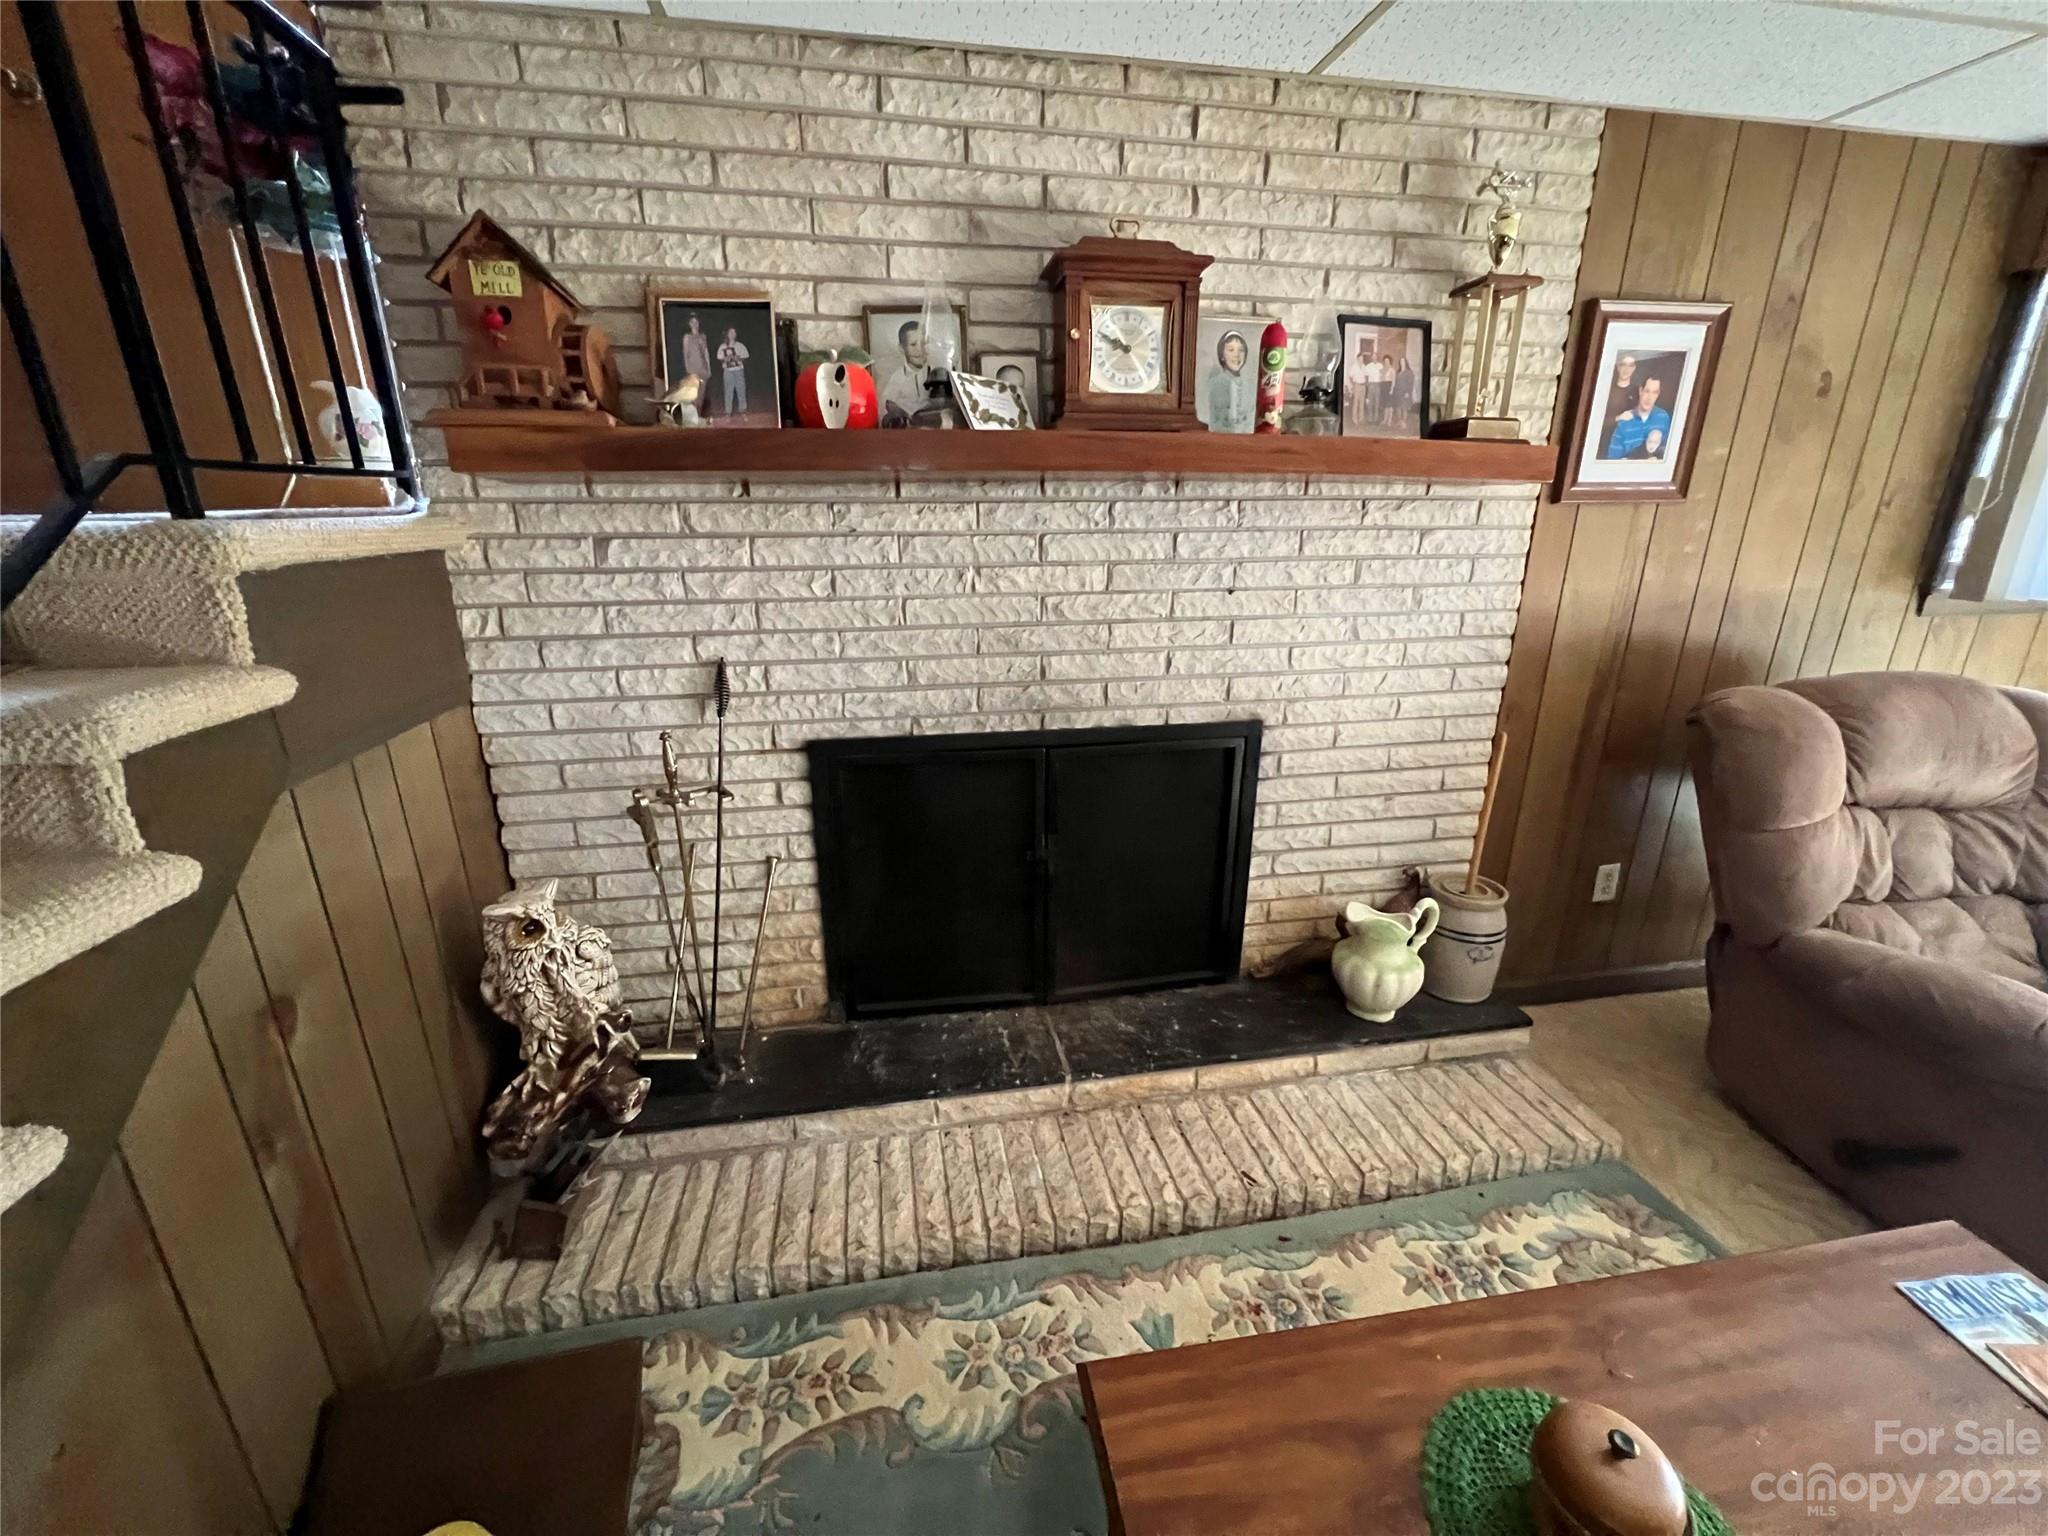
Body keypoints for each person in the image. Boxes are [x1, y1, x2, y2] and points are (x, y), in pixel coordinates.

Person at [1604, 374, 1671, 458]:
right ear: (1640, 391)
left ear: (1658, 395)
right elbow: (1612, 459)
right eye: (1647, 391)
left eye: (1654, 393)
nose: (1649, 398)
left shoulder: (1663, 417)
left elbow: (1668, 452)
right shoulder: (1625, 420)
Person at [881, 320, 932, 424]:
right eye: (913, 345)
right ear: (902, 348)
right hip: (907, 426)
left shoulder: (933, 373)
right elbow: (888, 403)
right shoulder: (897, 377)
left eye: (923, 343)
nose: (920, 349)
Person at [1208, 330, 1251, 432]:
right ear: (1222, 355)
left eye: (1241, 350)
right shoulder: (1215, 384)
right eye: (1231, 350)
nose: (1236, 355)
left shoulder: (1248, 386)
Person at [680, 314, 712, 414]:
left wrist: (709, 368)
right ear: (689, 324)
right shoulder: (687, 337)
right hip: (693, 368)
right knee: (694, 393)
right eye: (692, 322)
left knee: (702, 393)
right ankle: (693, 416)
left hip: (703, 367)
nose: (694, 324)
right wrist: (687, 368)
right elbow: (685, 353)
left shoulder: (703, 336)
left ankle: (699, 414)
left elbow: (706, 352)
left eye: (696, 322)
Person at [716, 326, 749, 417]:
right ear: (727, 334)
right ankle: (728, 412)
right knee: (728, 391)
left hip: (739, 371)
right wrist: (726, 359)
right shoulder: (723, 346)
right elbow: (719, 358)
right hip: (728, 372)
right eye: (730, 332)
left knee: (741, 390)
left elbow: (746, 357)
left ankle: (743, 410)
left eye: (734, 333)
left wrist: (738, 358)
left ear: (736, 334)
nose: (732, 334)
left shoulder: (740, 345)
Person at [1345, 338, 1376, 429]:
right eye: (1360, 358)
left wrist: (1366, 384)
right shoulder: (1354, 367)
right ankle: (1354, 419)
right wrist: (1353, 385)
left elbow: (1366, 376)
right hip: (1357, 386)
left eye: (1362, 359)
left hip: (1363, 386)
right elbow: (1350, 376)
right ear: (1357, 358)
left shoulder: (1364, 366)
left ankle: (1361, 418)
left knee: (1362, 403)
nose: (1362, 360)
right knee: (1356, 403)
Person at [1604, 352, 1638, 428]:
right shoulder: (1606, 389)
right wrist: (1618, 418)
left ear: (1634, 368)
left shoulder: (1637, 392)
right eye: (1623, 364)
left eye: (1630, 365)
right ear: (1618, 366)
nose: (1626, 369)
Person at [1391, 351, 1418, 430]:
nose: (1402, 363)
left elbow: (1411, 383)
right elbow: (1395, 382)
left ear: (1406, 363)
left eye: (1403, 361)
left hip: (1405, 392)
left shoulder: (1409, 372)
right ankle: (1400, 421)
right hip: (1397, 392)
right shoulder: (1398, 372)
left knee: (1404, 407)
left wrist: (1408, 392)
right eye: (1400, 361)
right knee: (1398, 407)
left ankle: (1404, 423)